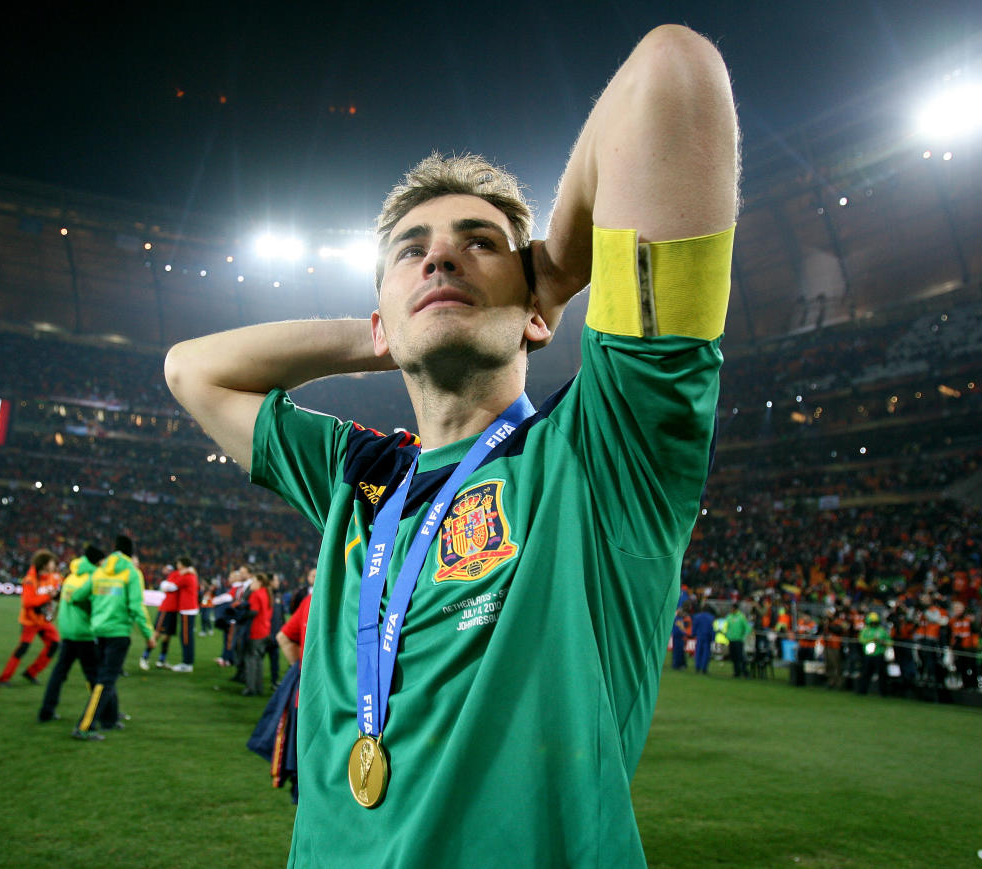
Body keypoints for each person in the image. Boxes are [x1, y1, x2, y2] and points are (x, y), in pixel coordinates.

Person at [165, 23, 736, 865]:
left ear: (539, 306)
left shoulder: (605, 453)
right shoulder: (357, 478)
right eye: (410, 252)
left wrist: (563, 264)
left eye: (478, 243)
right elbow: (193, 370)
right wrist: (383, 332)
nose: (439, 259)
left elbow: (672, 70)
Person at [71, 534, 155, 740]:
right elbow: (136, 606)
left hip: (98, 630)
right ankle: (85, 726)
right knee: (107, 679)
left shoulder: (100, 570)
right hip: (117, 632)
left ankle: (109, 720)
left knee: (107, 676)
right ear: (131, 552)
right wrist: (148, 634)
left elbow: (77, 597)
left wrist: (95, 613)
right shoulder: (131, 572)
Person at [38, 544, 105, 723]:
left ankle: (46, 711)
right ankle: (105, 712)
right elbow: (94, 607)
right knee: (96, 676)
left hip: (67, 632)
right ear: (98, 562)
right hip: (84, 633)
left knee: (59, 674)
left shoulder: (71, 577)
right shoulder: (92, 579)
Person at [0, 550, 62, 686]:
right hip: (30, 621)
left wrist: (56, 595)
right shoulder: (29, 580)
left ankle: (31, 672)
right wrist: (48, 596)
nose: (54, 565)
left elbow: (56, 593)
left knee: (54, 644)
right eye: (51, 563)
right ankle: (4, 678)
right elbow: (28, 602)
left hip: (43, 620)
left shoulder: (53, 578)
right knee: (23, 648)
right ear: (44, 564)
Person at [242, 572, 274, 696]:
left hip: (256, 631)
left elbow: (253, 612)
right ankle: (258, 687)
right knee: (259, 660)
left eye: (253, 581)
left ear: (259, 582)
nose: (251, 584)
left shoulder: (256, 594)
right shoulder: (267, 593)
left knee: (251, 660)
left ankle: (251, 688)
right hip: (265, 630)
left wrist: (241, 614)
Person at [856, 612, 892, 697]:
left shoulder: (881, 630)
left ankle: (883, 692)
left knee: (882, 674)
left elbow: (889, 642)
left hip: (879, 654)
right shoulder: (865, 630)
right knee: (865, 673)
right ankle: (862, 691)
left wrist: (883, 642)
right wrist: (872, 639)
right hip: (868, 655)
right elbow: (861, 640)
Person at [725, 603, 752, 677]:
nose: (731, 610)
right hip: (731, 639)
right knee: (733, 657)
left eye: (732, 608)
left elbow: (747, 628)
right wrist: (727, 634)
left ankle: (745, 672)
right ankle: (736, 672)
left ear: (735, 609)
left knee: (740, 657)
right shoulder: (729, 617)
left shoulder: (741, 617)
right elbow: (726, 626)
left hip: (739, 640)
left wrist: (743, 636)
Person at [692, 603, 717, 675]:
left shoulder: (697, 616)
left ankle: (697, 667)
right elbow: (712, 629)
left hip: (699, 636)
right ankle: (704, 668)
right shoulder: (711, 617)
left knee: (698, 652)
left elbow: (695, 626)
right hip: (707, 637)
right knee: (706, 653)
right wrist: (713, 638)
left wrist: (693, 634)